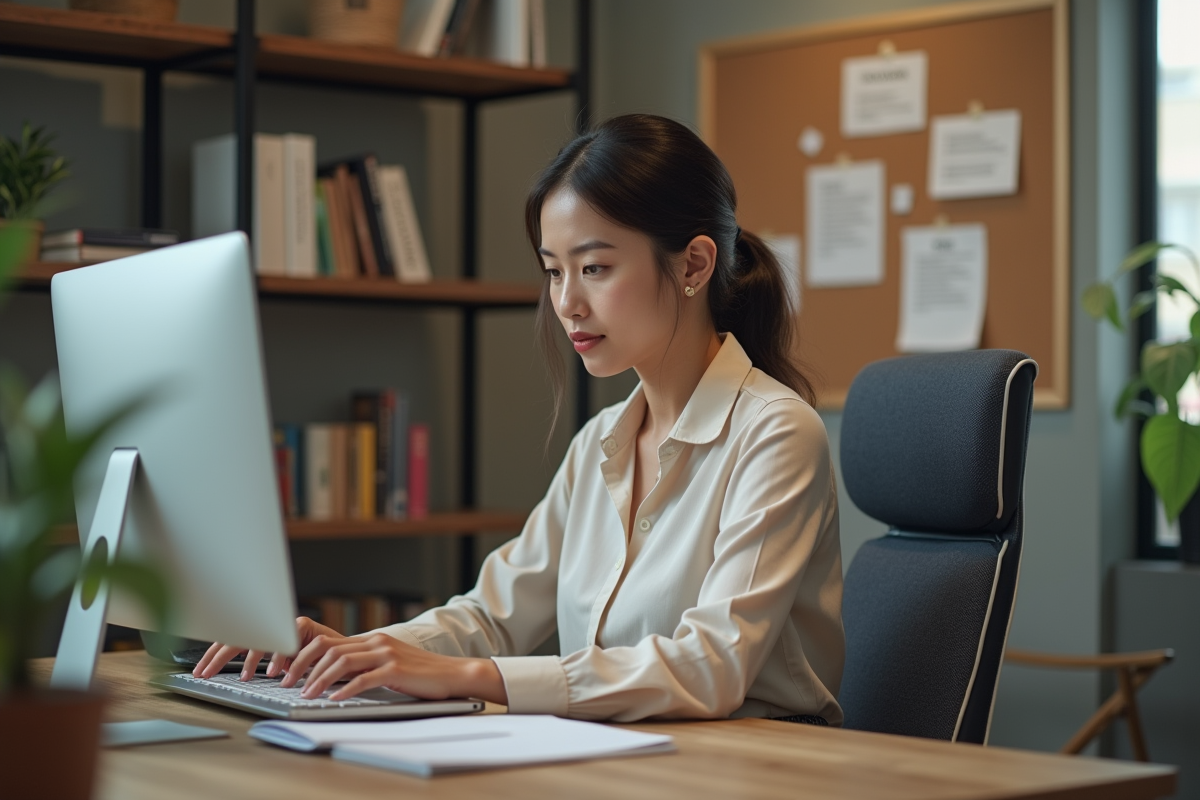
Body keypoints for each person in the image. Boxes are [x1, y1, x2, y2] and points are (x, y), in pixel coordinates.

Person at [196, 114, 845, 724]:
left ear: (694, 265)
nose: (567, 303)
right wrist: (357, 648)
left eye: (594, 268)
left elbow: (713, 667)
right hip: (628, 757)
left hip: (757, 767)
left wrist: (472, 677)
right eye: (553, 272)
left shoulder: (776, 434)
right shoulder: (601, 444)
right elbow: (493, 615)